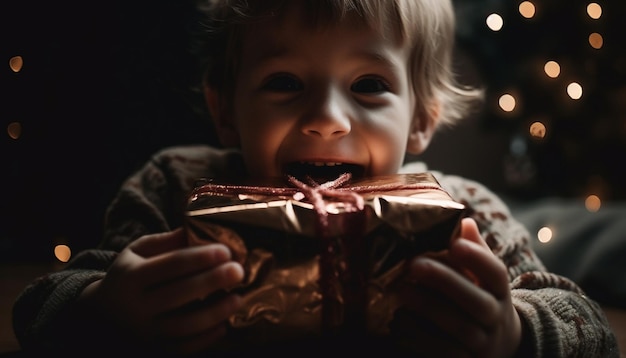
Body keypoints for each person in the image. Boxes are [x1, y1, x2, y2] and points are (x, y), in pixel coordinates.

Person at [12, 0, 619, 357]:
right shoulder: (176, 187)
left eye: (368, 86)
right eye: (283, 83)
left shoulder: (465, 212)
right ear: (225, 110)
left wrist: (514, 331)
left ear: (423, 119)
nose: (327, 120)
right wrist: (103, 309)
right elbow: (37, 308)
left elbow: (591, 329)